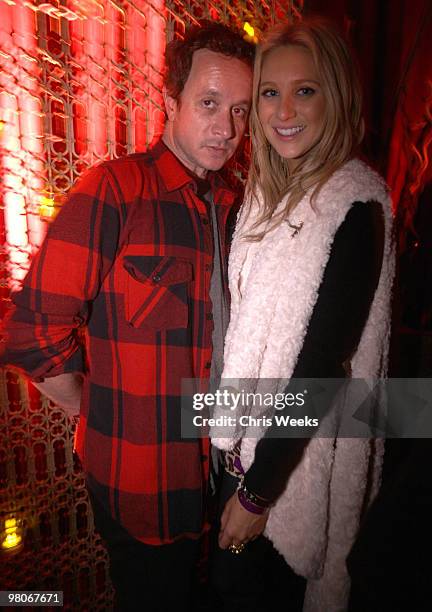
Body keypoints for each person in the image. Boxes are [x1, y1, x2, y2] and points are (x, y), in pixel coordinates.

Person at [0, 22, 254, 611]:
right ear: (171, 102)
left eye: (240, 111)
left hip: (213, 479)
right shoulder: (116, 189)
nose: (227, 129)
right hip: (139, 484)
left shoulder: (230, 206)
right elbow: (31, 334)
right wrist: (92, 406)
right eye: (209, 104)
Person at [209, 17, 394, 612]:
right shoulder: (258, 196)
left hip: (287, 475)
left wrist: (258, 495)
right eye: (270, 92)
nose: (284, 109)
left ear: (335, 95)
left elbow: (322, 365)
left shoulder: (354, 203)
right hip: (236, 453)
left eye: (305, 90)